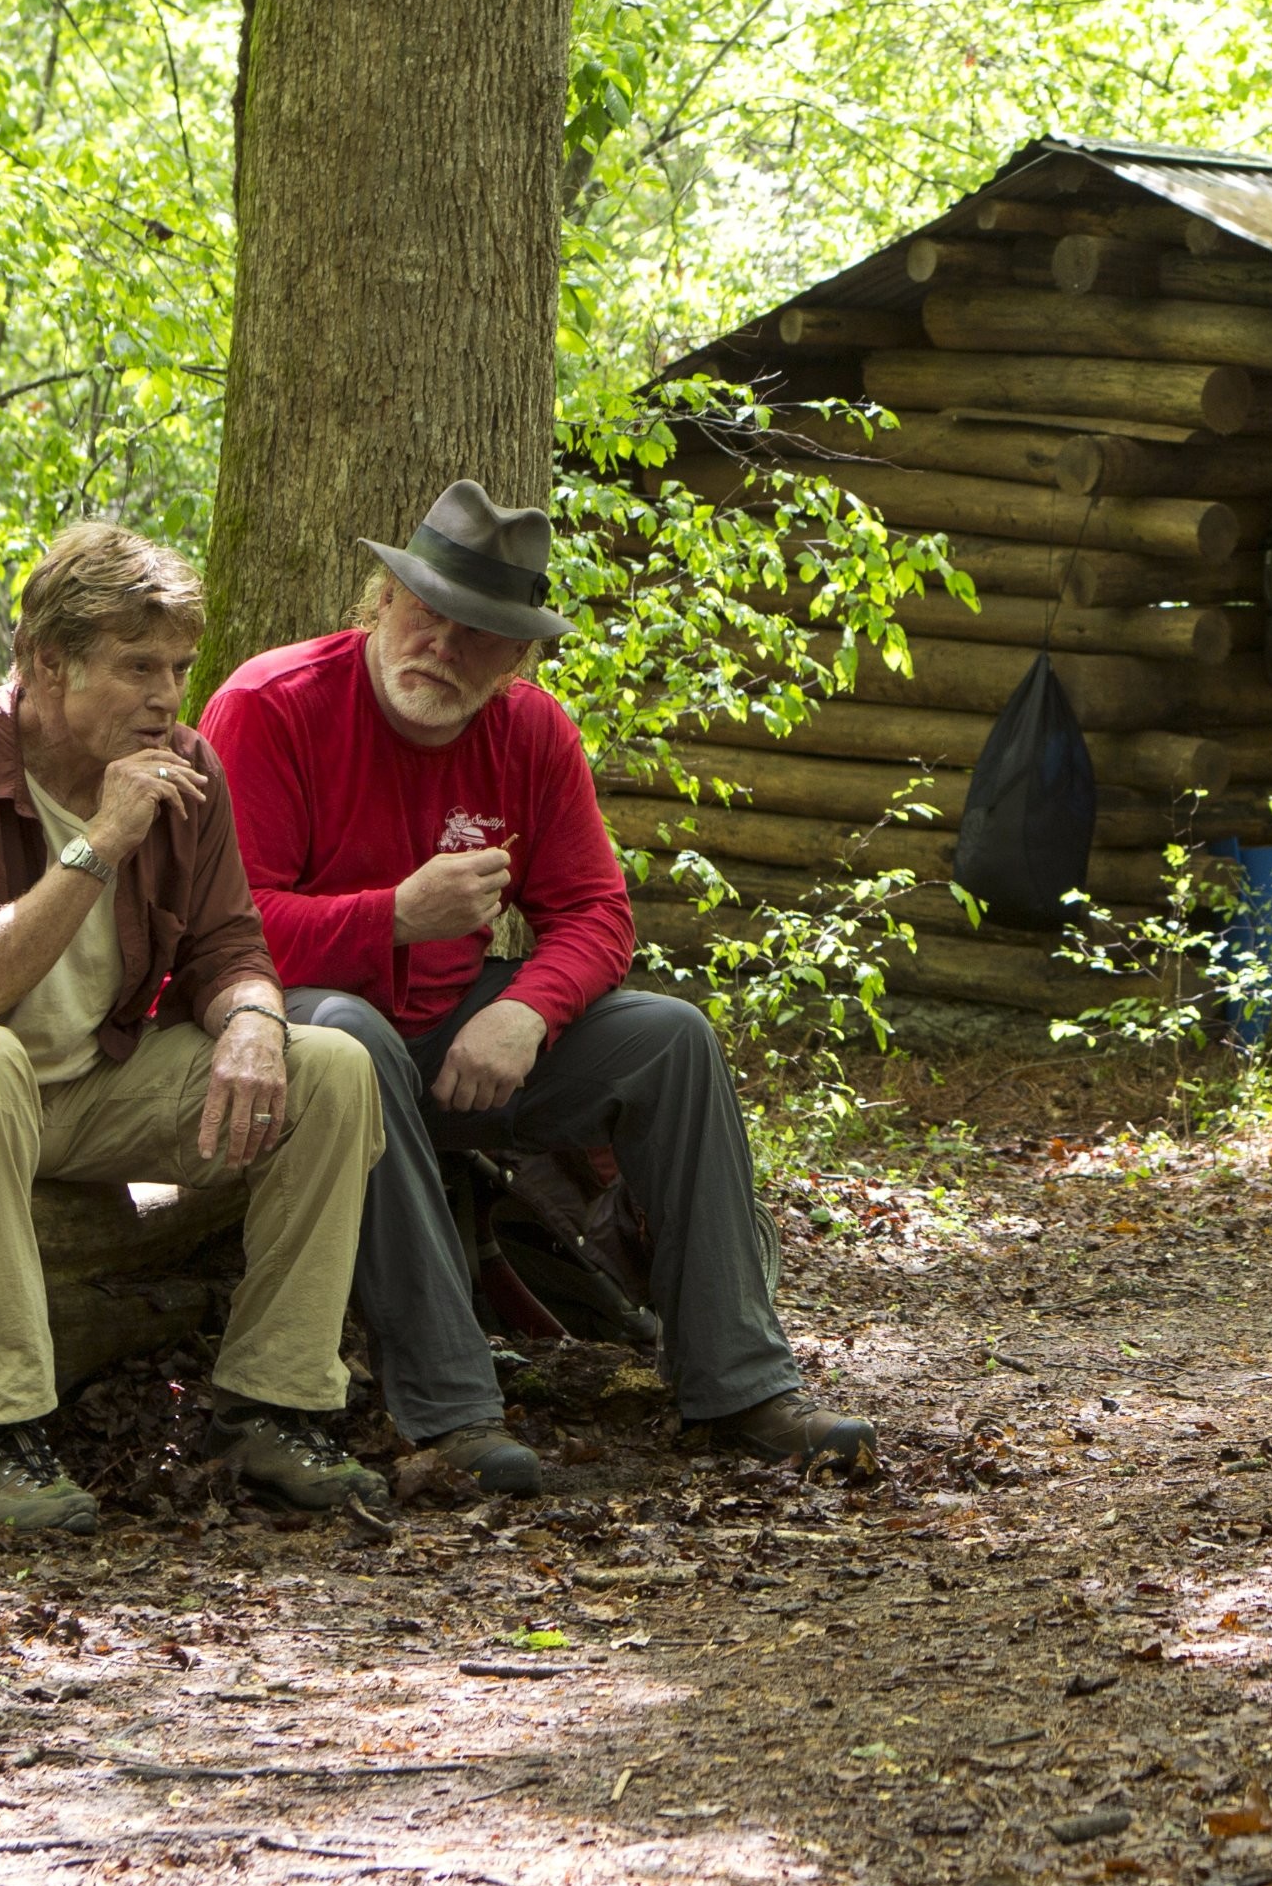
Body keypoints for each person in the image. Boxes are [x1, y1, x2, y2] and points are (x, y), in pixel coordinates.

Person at [201, 480, 874, 1485]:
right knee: (353, 1037)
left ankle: (740, 1384)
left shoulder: (530, 732)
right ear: (380, 601)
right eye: (426, 612)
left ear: (517, 654)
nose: (441, 645)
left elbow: (598, 912)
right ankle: (456, 1417)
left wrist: (526, 1007)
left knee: (671, 1039)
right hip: (307, 1035)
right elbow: (223, 934)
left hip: (455, 1031)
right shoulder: (271, 705)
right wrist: (392, 914)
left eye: (478, 633)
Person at [0, 523, 386, 1539]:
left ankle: (276, 1406)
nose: (167, 695)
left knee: (334, 1067)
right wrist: (100, 842)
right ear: (48, 660)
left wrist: (257, 1020)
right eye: (138, 666)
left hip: (91, 1080)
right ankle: (1, 1429)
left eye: (177, 666)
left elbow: (226, 946)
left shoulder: (187, 768)